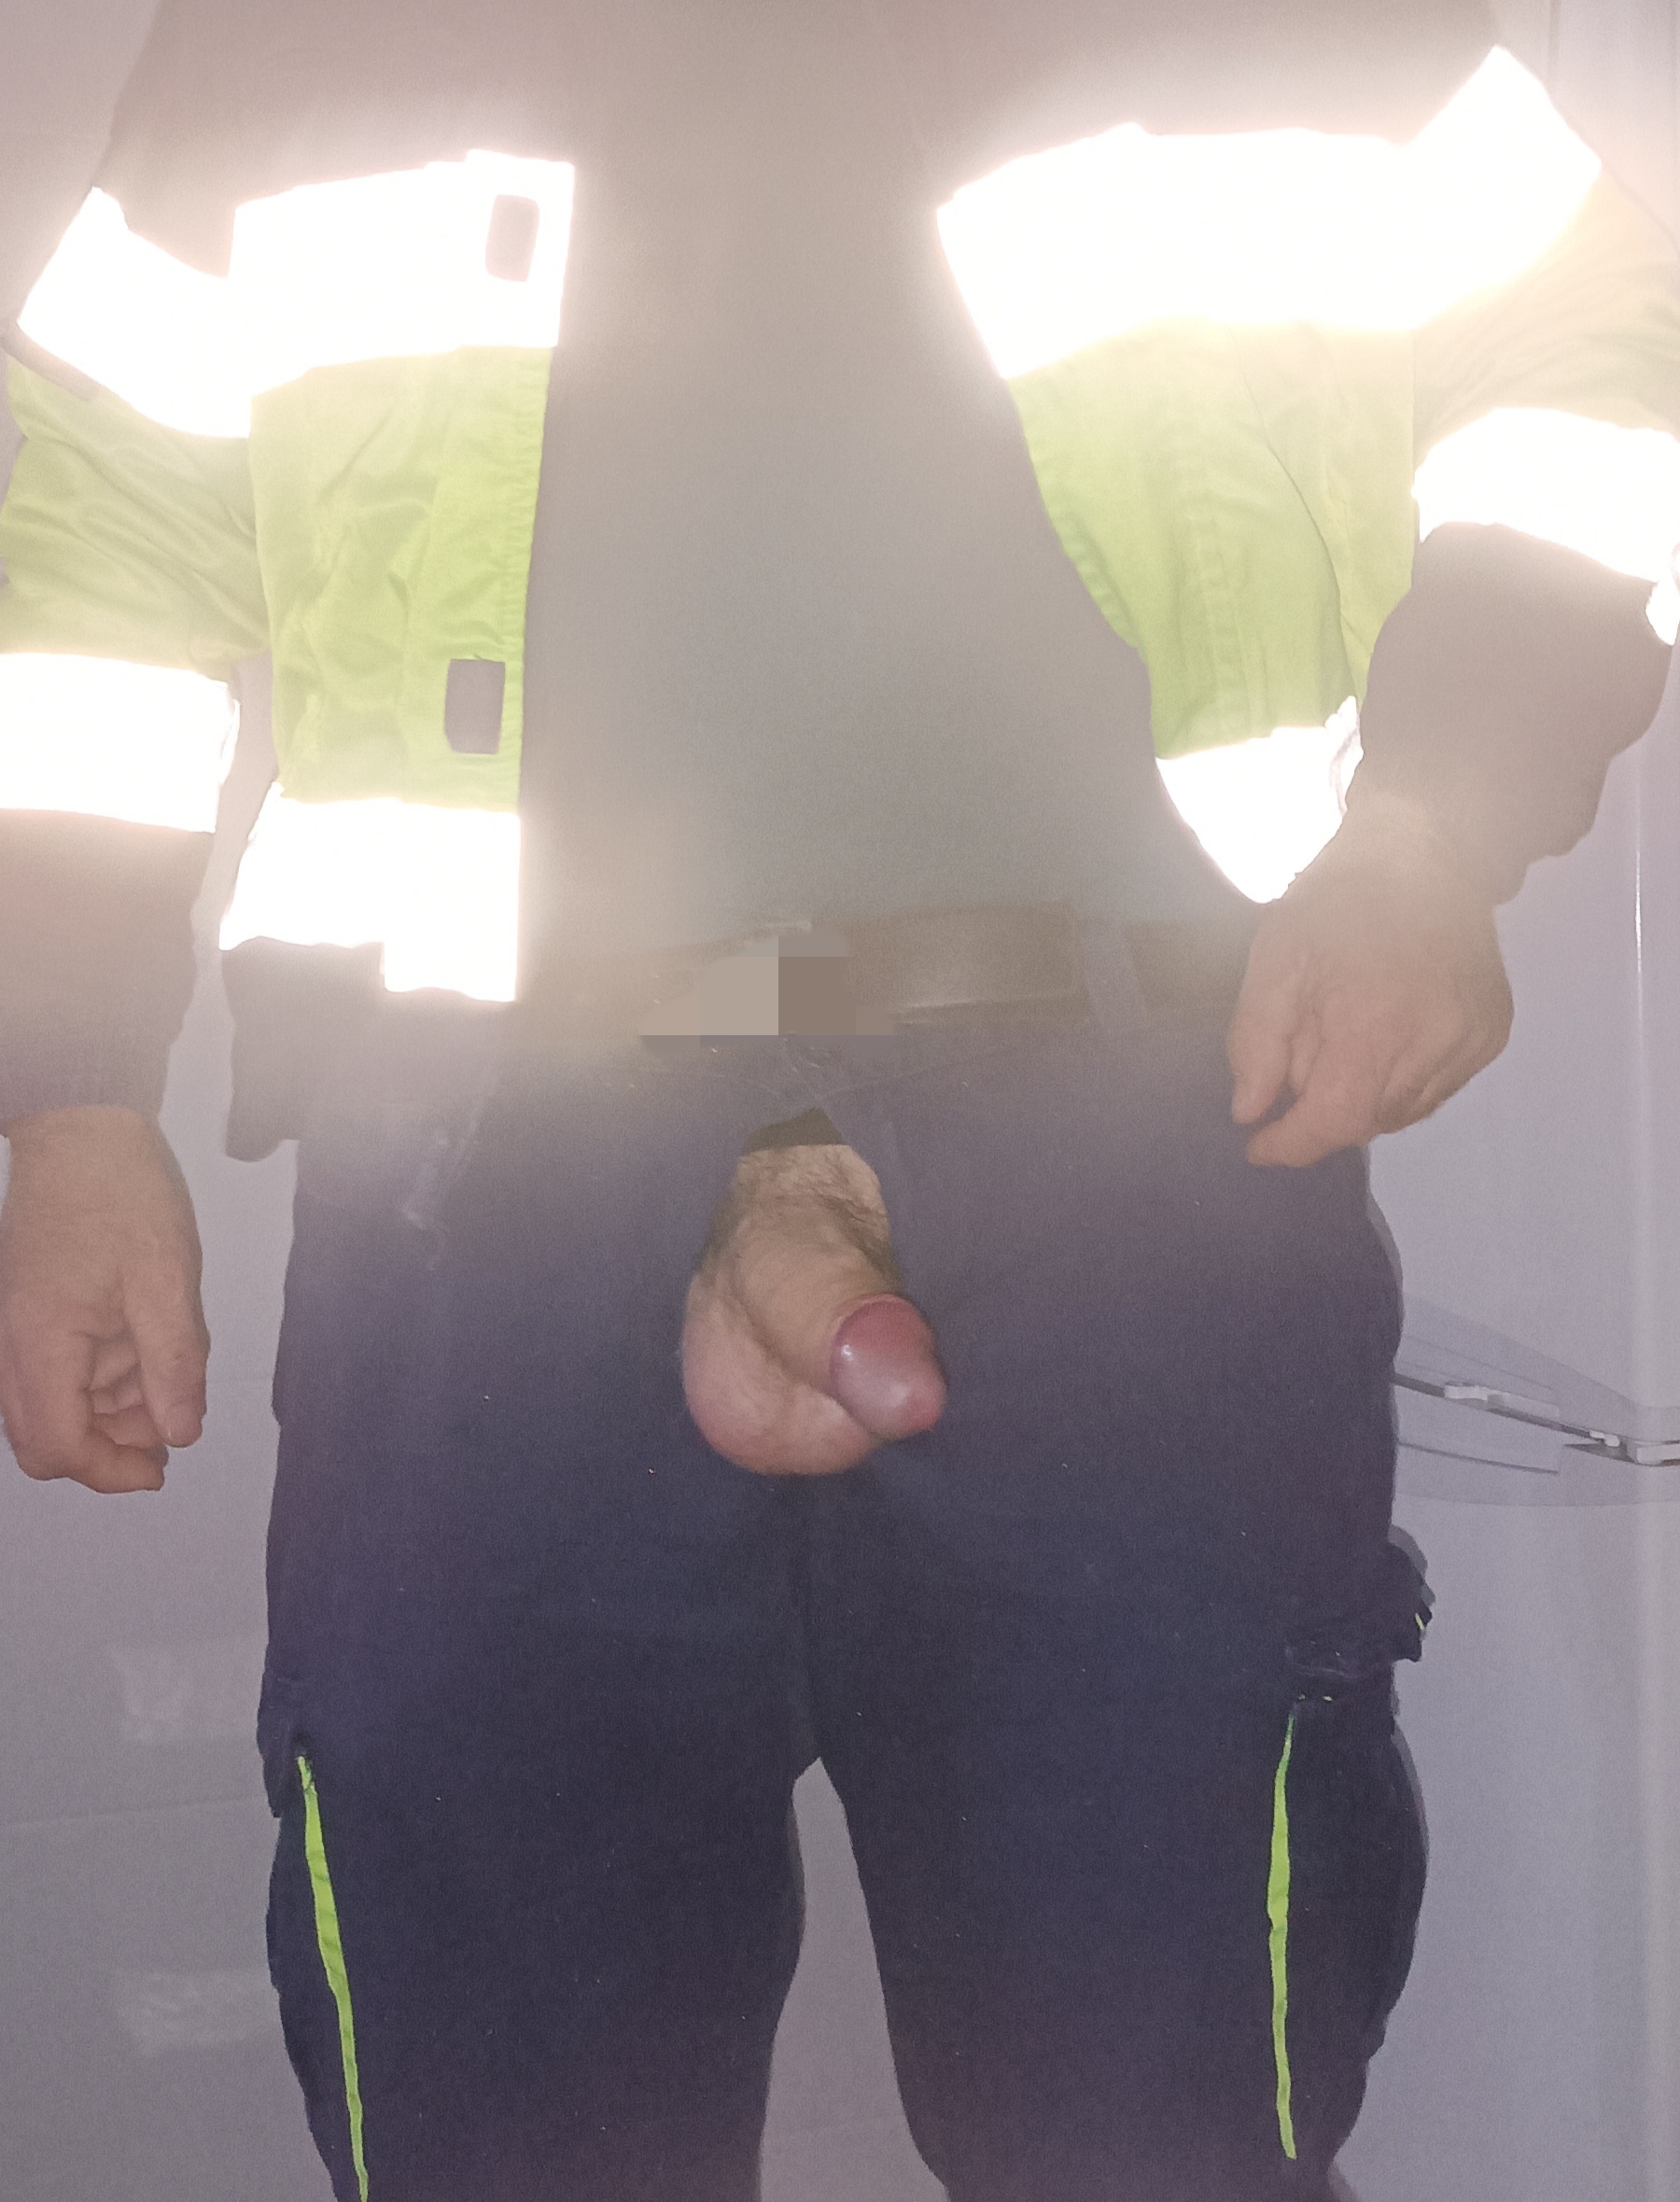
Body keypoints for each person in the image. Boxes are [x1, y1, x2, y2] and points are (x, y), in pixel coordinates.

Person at [0, 2, 1674, 2195]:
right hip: (492, 1186)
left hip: (1134, 1146)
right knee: (510, 2129)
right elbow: (83, 575)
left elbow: (1595, 365)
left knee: (1153, 2120)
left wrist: (1438, 820)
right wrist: (73, 1095)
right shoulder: (281, 40)